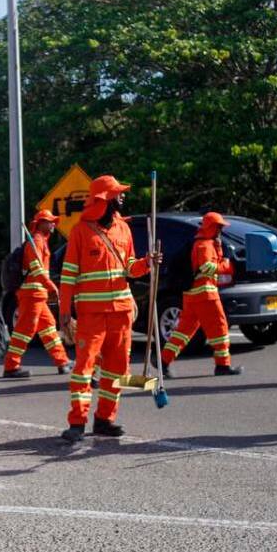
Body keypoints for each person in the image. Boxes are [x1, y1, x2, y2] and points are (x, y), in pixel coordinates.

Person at [58, 176, 158, 443]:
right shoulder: (81, 231)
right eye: (118, 194)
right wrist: (65, 312)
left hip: (122, 310)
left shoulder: (124, 230)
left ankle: (104, 419)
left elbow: (130, 268)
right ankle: (77, 422)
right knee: (84, 368)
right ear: (105, 199)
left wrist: (147, 263)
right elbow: (68, 276)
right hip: (91, 313)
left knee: (117, 368)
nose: (123, 198)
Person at [160, 212, 239, 378]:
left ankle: (164, 360)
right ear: (212, 227)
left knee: (184, 331)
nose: (221, 230)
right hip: (206, 295)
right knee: (219, 328)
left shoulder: (203, 243)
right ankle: (222, 365)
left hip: (193, 295)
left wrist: (218, 249)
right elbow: (206, 267)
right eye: (219, 227)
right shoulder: (204, 245)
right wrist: (227, 265)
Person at [3, 209, 70, 379]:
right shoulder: (36, 241)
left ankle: (62, 362)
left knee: (48, 327)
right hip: (31, 294)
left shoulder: (40, 242)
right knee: (24, 331)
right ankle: (11, 366)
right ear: (40, 224)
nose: (53, 224)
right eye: (50, 221)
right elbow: (37, 269)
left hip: (37, 295)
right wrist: (52, 287)